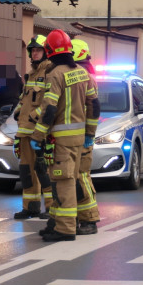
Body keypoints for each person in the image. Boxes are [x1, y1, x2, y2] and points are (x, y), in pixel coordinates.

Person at [30, 29, 99, 242]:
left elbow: (49, 109)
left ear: (49, 51)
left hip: (62, 140)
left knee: (63, 181)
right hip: (80, 140)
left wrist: (37, 136)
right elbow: (94, 105)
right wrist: (90, 133)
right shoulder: (82, 72)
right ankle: (58, 223)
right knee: (73, 178)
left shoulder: (55, 75)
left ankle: (66, 228)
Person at [12, 35, 52, 219]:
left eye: (38, 50)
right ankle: (31, 206)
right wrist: (18, 111)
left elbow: (49, 102)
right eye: (32, 50)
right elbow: (25, 98)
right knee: (26, 170)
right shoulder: (31, 73)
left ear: (46, 51)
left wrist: (34, 116)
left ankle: (51, 207)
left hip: (41, 131)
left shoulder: (50, 72)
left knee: (44, 170)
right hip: (25, 130)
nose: (35, 53)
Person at [71, 38, 100, 235]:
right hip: (73, 137)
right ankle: (74, 218)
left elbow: (93, 108)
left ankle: (89, 219)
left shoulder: (85, 77)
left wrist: (89, 134)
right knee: (74, 178)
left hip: (81, 138)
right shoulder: (82, 75)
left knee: (81, 177)